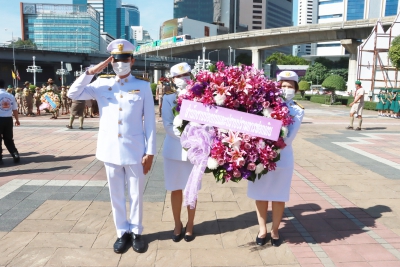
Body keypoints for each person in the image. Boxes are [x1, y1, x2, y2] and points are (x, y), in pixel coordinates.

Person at [68, 39, 156, 254]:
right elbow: (73, 93)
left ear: (132, 60)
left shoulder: (143, 86)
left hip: (135, 149)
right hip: (109, 149)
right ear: (110, 62)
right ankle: (121, 232)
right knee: (116, 194)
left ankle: (136, 231)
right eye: (116, 60)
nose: (120, 64)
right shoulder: (100, 84)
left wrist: (150, 151)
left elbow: (151, 122)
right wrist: (91, 71)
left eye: (125, 59)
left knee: (136, 194)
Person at [247, 71, 304, 247]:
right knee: (261, 194)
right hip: (260, 158)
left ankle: (275, 229)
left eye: (290, 86)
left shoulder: (297, 110)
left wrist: (267, 143)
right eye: (282, 86)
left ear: (296, 89)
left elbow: (288, 138)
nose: (286, 89)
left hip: (282, 158)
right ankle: (262, 228)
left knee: (279, 196)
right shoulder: (264, 104)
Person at [162, 62, 197, 243]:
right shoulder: (168, 98)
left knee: (191, 191)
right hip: (174, 151)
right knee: (175, 189)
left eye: (186, 75)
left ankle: (190, 224)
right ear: (173, 79)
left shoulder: (199, 97)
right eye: (179, 77)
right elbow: (168, 125)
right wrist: (187, 137)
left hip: (194, 152)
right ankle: (177, 224)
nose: (183, 79)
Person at [0, 79, 20, 165]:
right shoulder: (10, 95)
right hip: (8, 119)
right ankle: (15, 154)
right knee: (8, 138)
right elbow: (15, 109)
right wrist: (17, 120)